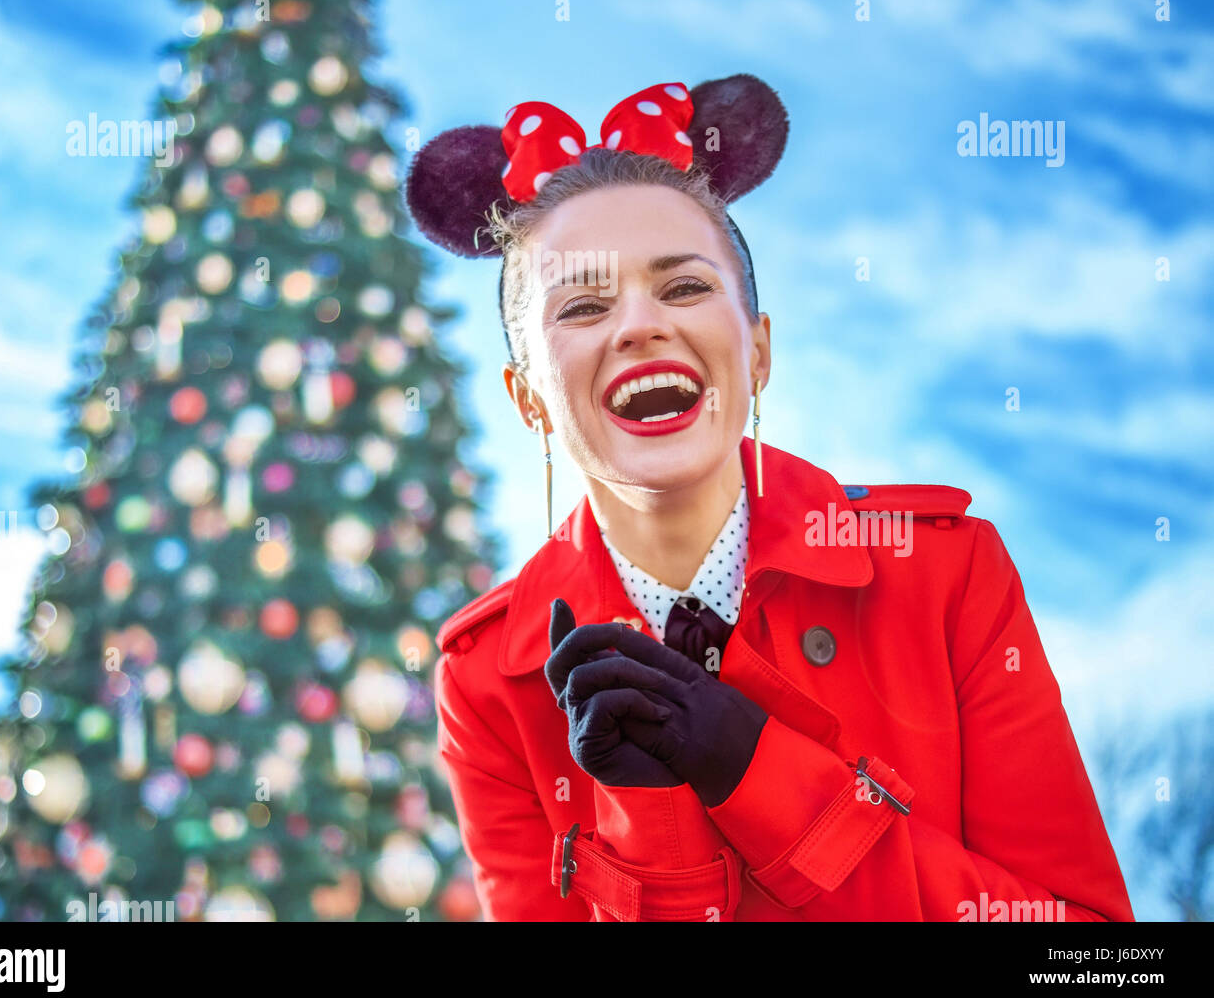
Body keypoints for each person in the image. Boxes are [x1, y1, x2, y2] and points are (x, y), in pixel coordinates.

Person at [404, 74, 1134, 923]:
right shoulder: (489, 680)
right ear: (527, 398)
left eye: (682, 287)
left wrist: (755, 769)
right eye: (585, 304)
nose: (639, 325)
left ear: (757, 353)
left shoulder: (945, 570)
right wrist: (655, 825)